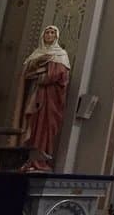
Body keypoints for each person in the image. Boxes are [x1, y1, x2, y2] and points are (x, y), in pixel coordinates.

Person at [18, 25, 71, 171]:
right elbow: (26, 73)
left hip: (49, 99)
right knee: (32, 124)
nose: (49, 35)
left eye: (52, 33)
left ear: (56, 36)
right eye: (47, 32)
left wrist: (43, 74)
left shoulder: (61, 54)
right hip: (34, 94)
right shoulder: (36, 53)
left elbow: (62, 76)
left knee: (45, 126)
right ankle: (27, 158)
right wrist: (37, 65)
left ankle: (40, 159)